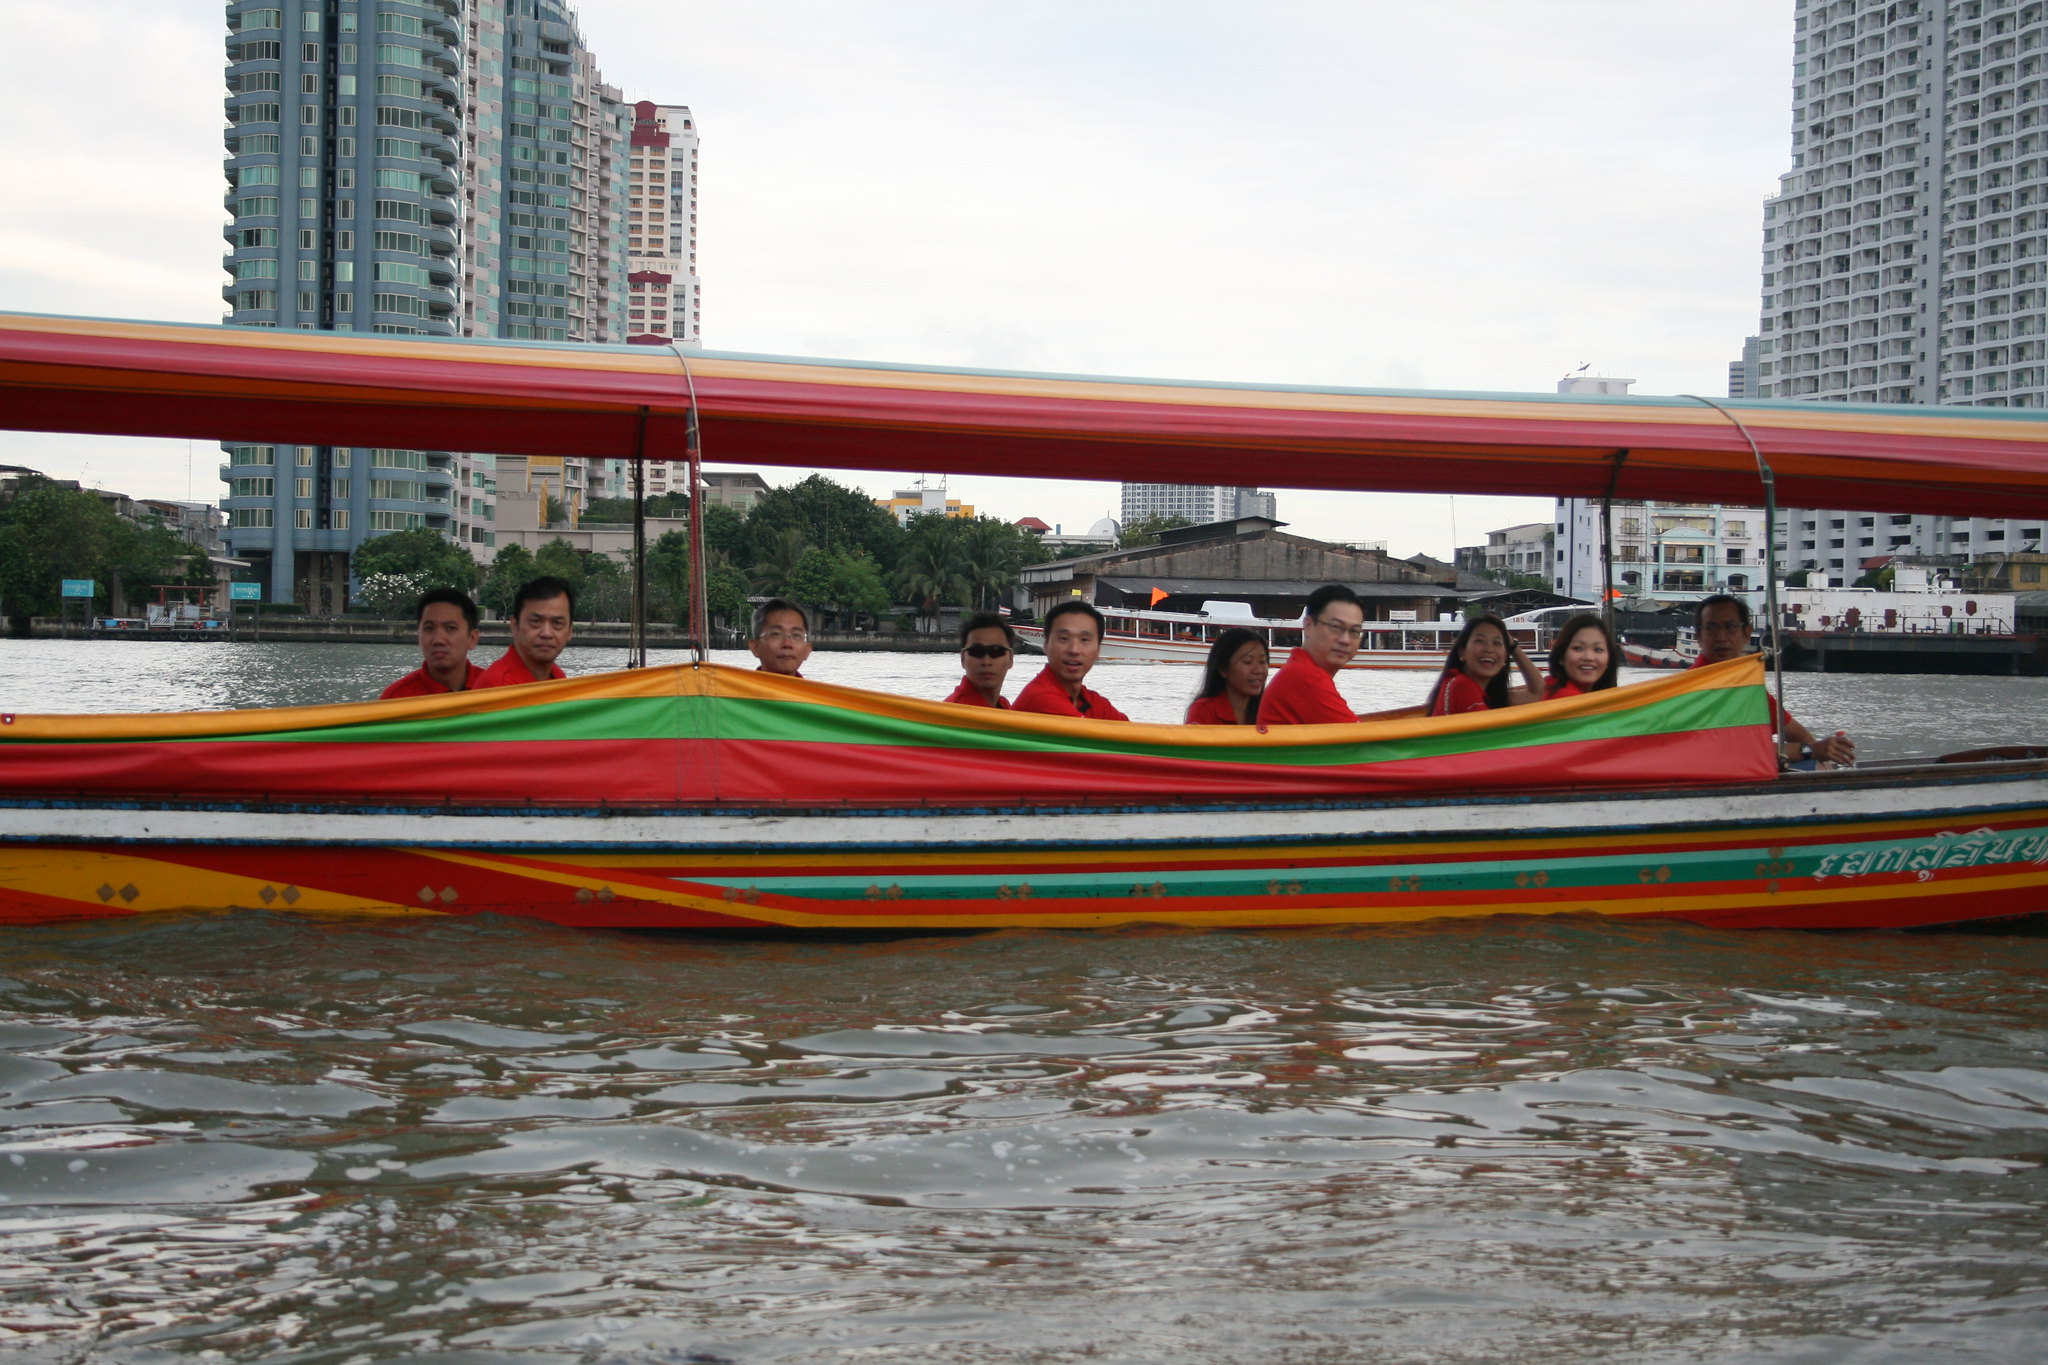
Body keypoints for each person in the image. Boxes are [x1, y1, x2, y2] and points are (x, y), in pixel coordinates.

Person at [1693, 594, 1855, 766]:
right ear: (1698, 636)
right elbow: (1734, 750)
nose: (1721, 637)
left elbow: (1796, 732)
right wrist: (1810, 750)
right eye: (1711, 628)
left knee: (1817, 765)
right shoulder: (1690, 691)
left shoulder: (1745, 688)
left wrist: (1822, 754)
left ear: (1747, 632)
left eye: (1730, 627)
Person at [1259, 585, 1364, 725]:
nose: (1345, 640)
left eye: (1354, 632)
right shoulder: (1307, 678)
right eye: (1336, 627)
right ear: (1308, 625)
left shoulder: (1299, 670)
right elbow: (1360, 742)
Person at [1011, 600, 1129, 720]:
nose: (1074, 650)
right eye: (1064, 638)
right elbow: (1085, 733)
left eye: (1084, 640)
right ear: (1046, 645)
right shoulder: (1041, 697)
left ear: (1098, 650)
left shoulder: (1089, 700)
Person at [1425, 613, 1543, 716]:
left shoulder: (1486, 694)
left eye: (1497, 643)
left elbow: (1538, 693)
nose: (1489, 649)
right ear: (1462, 652)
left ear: (1505, 658)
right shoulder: (1463, 686)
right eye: (1479, 641)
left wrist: (1512, 645)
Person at [380, 587, 485, 699]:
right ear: (419, 636)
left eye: (450, 628)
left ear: (472, 638)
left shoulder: (493, 688)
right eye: (429, 628)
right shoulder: (397, 698)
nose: (438, 640)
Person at [475, 576, 574, 689]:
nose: (546, 633)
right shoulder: (496, 686)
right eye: (536, 622)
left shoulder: (558, 679)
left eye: (557, 623)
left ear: (570, 630)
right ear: (515, 626)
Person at [1185, 627, 1268, 724]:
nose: (1258, 670)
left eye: (1262, 661)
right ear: (1223, 668)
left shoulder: (1270, 710)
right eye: (1247, 662)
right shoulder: (1204, 710)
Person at [945, 611, 1016, 707]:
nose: (986, 661)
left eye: (996, 652)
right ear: (962, 658)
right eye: (976, 652)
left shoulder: (1005, 706)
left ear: (1011, 659)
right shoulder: (952, 713)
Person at [1543, 614, 1619, 699]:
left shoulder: (1547, 687)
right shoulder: (1565, 698)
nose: (1588, 657)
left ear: (1609, 659)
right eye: (1578, 648)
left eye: (1598, 649)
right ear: (1561, 656)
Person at [748, 598, 813, 677]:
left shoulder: (818, 689)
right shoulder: (736, 689)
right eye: (776, 634)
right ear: (755, 647)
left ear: (807, 650)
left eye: (796, 635)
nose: (787, 644)